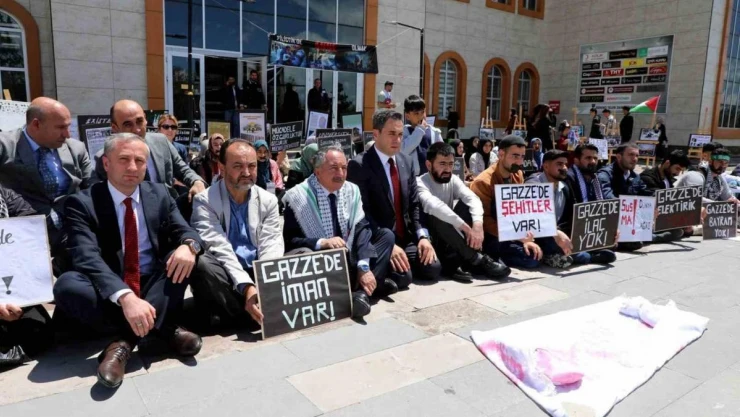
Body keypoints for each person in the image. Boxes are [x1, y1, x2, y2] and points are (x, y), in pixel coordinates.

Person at [53, 133, 205, 389]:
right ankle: (164, 330)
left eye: (139, 161)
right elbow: (86, 257)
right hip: (111, 288)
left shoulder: (160, 193)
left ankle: (122, 344)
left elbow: (187, 231)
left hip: (152, 281)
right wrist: (125, 296)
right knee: (67, 285)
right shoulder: (82, 203)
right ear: (106, 163)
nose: (133, 167)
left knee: (184, 260)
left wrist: (189, 246)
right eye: (124, 159)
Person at [283, 145, 396, 317]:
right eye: (334, 168)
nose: (341, 174)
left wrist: (363, 266)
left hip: (350, 258)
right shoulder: (297, 197)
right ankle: (373, 285)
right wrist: (323, 243)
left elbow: (362, 229)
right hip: (323, 264)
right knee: (305, 254)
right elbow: (290, 241)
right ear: (318, 171)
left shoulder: (352, 190)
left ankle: (361, 293)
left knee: (386, 236)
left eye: (344, 168)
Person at [190, 139, 283, 328]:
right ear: (222, 168)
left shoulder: (268, 200)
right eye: (238, 166)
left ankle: (245, 311)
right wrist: (247, 287)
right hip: (227, 274)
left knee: (303, 255)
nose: (246, 173)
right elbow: (218, 248)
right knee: (201, 263)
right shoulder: (205, 201)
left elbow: (271, 245)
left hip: (257, 271)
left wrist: (264, 285)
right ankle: (249, 312)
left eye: (252, 166)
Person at [347, 110, 442, 289]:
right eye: (391, 134)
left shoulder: (406, 161)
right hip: (380, 239)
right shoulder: (359, 165)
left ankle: (394, 267)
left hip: (406, 237)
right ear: (376, 134)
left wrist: (422, 236)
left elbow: (414, 204)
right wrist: (389, 246)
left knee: (433, 269)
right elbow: (362, 214)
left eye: (400, 134)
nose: (397, 140)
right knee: (403, 278)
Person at [0, 97, 92, 270]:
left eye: (68, 126)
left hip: (71, 232)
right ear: (36, 124)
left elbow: (91, 188)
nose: (67, 134)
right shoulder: (5, 145)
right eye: (61, 127)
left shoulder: (76, 148)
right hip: (24, 237)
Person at [93, 100, 207, 220]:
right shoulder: (106, 157)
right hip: (134, 217)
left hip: (169, 210)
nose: (137, 130)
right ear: (114, 128)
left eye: (139, 121)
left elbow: (182, 169)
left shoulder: (161, 141)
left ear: (146, 119)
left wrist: (197, 182)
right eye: (128, 124)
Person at [417, 143, 511, 280]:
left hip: (451, 236)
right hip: (431, 237)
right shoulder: (420, 183)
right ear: (429, 165)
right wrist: (466, 228)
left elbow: (473, 199)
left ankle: (456, 259)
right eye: (442, 164)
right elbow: (435, 206)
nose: (447, 169)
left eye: (450, 164)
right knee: (439, 215)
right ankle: (478, 259)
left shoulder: (453, 179)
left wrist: (477, 225)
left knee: (468, 206)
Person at [471, 135, 550, 269]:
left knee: (538, 253)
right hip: (492, 236)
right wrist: (518, 236)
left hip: (510, 231)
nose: (519, 161)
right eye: (515, 156)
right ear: (501, 154)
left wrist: (525, 237)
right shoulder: (483, 182)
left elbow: (519, 210)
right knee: (530, 260)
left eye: (522, 156)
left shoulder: (517, 174)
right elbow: (485, 220)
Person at [527, 150, 616, 266]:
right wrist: (554, 232)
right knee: (578, 254)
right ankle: (588, 257)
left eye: (565, 164)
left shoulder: (564, 187)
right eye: (559, 164)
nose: (564, 168)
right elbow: (534, 218)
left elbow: (573, 215)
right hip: (538, 235)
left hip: (558, 232)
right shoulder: (534, 184)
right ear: (546, 166)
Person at [0, 185, 53, 369]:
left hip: (9, 287)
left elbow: (30, 233)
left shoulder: (5, 196)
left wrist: (16, 296)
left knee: (39, 331)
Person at [640, 150, 693, 242]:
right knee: (677, 232)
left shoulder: (668, 178)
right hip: (648, 218)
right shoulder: (647, 177)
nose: (678, 173)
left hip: (662, 219)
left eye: (680, 170)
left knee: (681, 230)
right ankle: (649, 237)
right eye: (677, 169)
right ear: (667, 163)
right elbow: (660, 198)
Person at [402, 95, 443, 176]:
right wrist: (420, 130)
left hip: (432, 176)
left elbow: (442, 153)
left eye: (423, 112)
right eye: (416, 113)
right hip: (413, 177)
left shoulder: (434, 132)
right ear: (407, 116)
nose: (421, 116)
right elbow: (404, 151)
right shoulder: (404, 132)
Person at [253, 140, 285, 207]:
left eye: (265, 152)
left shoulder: (272, 163)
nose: (263, 155)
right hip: (255, 195)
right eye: (259, 152)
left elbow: (278, 181)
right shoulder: (251, 165)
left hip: (271, 192)